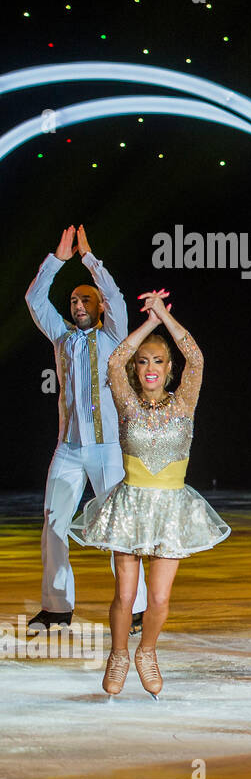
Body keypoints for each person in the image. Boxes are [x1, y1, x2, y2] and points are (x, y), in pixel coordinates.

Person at [70, 289, 229, 697]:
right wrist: (150, 324)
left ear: (169, 367)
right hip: (130, 506)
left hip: (172, 508)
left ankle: (148, 652)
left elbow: (196, 357)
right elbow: (113, 360)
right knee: (125, 594)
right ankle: (119, 654)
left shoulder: (184, 404)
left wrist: (167, 319)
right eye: (144, 362)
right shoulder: (126, 404)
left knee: (158, 599)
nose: (149, 368)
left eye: (158, 361)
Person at [26, 226, 147, 636]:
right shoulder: (61, 338)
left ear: (97, 306)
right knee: (55, 523)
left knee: (119, 528)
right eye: (75, 300)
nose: (79, 304)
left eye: (86, 299)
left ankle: (136, 607)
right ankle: (57, 608)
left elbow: (114, 296)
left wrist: (89, 259)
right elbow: (33, 298)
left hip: (108, 449)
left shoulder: (113, 335)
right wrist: (56, 261)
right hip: (69, 449)